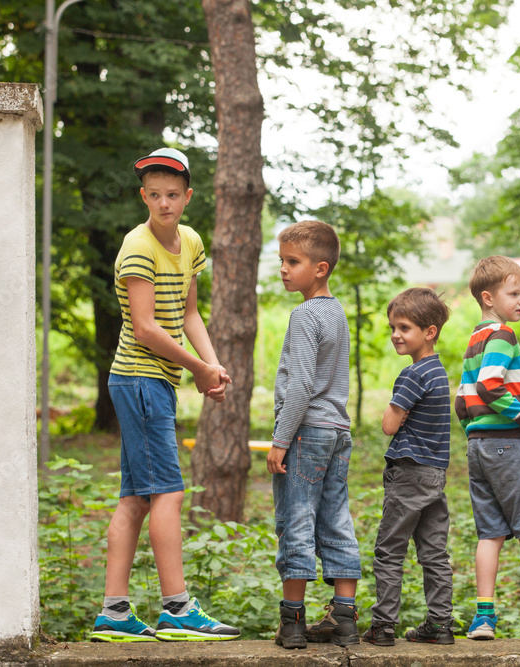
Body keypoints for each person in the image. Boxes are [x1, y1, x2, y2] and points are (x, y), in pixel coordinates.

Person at [90, 147, 239, 643]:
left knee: (135, 498)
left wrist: (211, 364)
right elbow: (147, 328)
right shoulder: (137, 248)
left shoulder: (190, 241)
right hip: (138, 380)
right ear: (143, 197)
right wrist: (197, 369)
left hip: (155, 382)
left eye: (172, 195)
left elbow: (191, 313)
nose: (164, 203)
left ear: (187, 196)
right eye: (154, 195)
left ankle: (113, 612)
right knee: (168, 493)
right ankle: (176, 608)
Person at [266, 220, 362, 649]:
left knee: (297, 520)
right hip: (337, 431)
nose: (284, 269)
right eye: (282, 260)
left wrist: (281, 440)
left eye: (293, 261)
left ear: (320, 268)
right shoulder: (336, 310)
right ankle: (344, 619)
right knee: (336, 519)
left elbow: (302, 385)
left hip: (305, 433)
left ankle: (292, 623)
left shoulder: (304, 314)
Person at [454, 256, 520, 641]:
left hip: (478, 447)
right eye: (515, 293)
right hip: (509, 445)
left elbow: (462, 401)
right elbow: (489, 387)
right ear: (488, 297)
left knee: (489, 534)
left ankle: (483, 618)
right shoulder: (503, 336)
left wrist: (473, 432)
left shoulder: (474, 341)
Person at [364, 288, 454, 647]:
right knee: (434, 553)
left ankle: (383, 626)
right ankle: (440, 624)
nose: (396, 335)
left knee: (389, 550)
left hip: (408, 474)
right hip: (434, 475)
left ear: (429, 332)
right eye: (392, 327)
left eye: (404, 327)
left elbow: (389, 424)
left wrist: (395, 417)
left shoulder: (413, 374)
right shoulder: (439, 371)